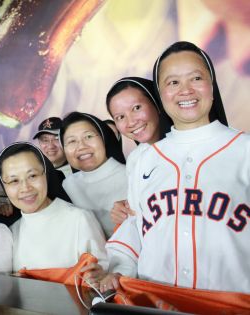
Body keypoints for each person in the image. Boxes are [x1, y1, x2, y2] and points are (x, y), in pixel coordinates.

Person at [102, 41, 250, 294]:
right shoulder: (145, 159)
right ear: (160, 94)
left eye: (196, 78)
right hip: (158, 301)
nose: (185, 90)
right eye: (173, 82)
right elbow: (137, 227)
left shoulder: (244, 150)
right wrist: (118, 268)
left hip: (230, 304)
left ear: (212, 88)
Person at [0, 142, 106, 271]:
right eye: (14, 181)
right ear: (4, 187)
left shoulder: (79, 219)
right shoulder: (11, 232)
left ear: (46, 174)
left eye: (32, 176)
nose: (25, 188)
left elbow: (102, 273)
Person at [106, 77, 175, 225]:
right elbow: (139, 212)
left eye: (136, 108)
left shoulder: (187, 144)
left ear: (156, 103)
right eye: (120, 117)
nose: (131, 122)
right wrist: (126, 209)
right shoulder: (135, 159)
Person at [60, 112, 127, 238]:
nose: (81, 146)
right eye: (72, 141)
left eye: (89, 136)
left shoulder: (131, 175)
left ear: (103, 138)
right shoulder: (68, 185)